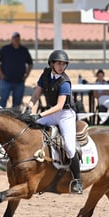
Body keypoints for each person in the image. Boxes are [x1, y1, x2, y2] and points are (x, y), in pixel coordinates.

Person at [25, 50, 83, 194]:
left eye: (63, 64)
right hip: (52, 112)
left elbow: (59, 106)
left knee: (69, 148)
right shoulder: (45, 74)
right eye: (58, 63)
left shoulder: (65, 82)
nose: (61, 66)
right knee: (29, 126)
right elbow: (36, 94)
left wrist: (39, 115)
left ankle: (77, 181)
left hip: (65, 115)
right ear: (51, 63)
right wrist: (29, 108)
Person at [0, 32, 33, 110]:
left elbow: (30, 63)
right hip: (6, 81)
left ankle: (14, 120)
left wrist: (26, 76)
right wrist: (0, 74)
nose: (16, 40)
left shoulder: (24, 50)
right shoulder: (5, 49)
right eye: (14, 38)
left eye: (17, 38)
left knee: (17, 104)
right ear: (11, 39)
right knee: (3, 101)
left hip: (19, 81)